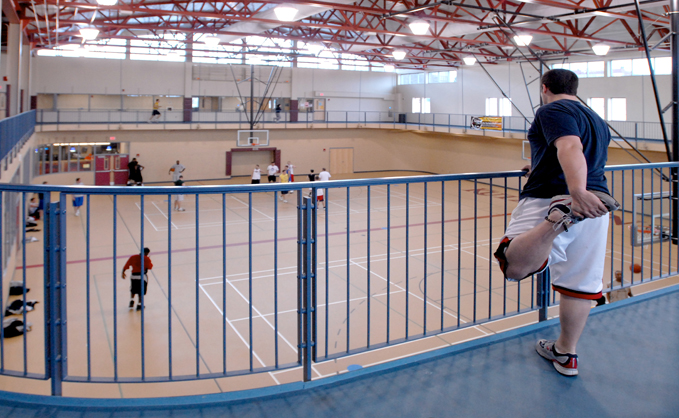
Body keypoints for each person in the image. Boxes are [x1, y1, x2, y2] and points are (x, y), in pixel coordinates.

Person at [492, 69, 619, 377]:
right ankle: (565, 354)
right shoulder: (597, 120)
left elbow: (570, 147)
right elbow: (577, 151)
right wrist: (536, 166)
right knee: (578, 285)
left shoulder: (552, 109)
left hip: (556, 199)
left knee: (513, 265)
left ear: (544, 88)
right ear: (575, 88)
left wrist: (575, 192)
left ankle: (556, 221)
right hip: (596, 206)